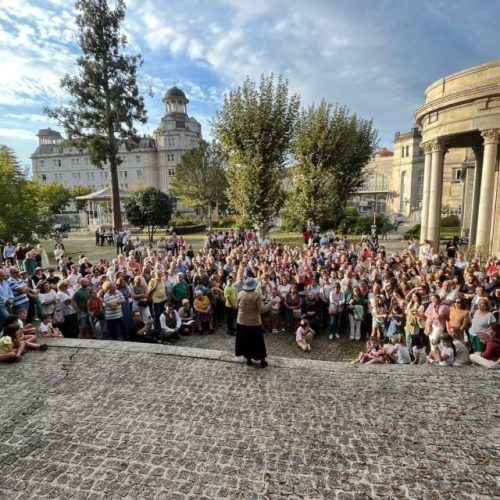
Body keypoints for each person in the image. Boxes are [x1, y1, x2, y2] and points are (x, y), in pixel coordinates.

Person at [235, 277, 270, 368]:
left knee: (245, 341)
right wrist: (270, 304)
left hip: (242, 321)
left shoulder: (240, 294)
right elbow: (262, 310)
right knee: (257, 342)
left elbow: (236, 306)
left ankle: (248, 359)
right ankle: (262, 361)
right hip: (254, 322)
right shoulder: (256, 295)